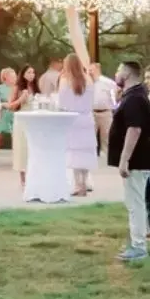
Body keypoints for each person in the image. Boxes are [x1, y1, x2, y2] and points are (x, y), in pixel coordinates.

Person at [108, 61, 150, 262]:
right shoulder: (133, 95)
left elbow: (134, 130)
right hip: (138, 159)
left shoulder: (135, 99)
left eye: (118, 69)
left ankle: (139, 246)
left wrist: (125, 160)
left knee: (135, 203)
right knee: (136, 201)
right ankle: (137, 240)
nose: (116, 73)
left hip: (137, 160)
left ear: (127, 73)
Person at [58, 53, 96, 198]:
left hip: (72, 119)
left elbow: (62, 102)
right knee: (85, 152)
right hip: (86, 118)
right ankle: (84, 182)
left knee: (74, 152)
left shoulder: (65, 80)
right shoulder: (89, 79)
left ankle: (78, 184)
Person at [9, 66, 39, 185]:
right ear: (23, 74)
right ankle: (23, 178)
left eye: (33, 72)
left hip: (35, 120)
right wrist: (21, 99)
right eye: (29, 72)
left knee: (34, 148)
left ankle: (35, 174)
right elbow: (11, 106)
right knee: (22, 147)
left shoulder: (35, 88)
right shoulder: (17, 88)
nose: (32, 74)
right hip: (22, 120)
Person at [89, 63, 117, 159]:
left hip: (106, 112)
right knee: (90, 137)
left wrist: (114, 107)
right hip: (92, 113)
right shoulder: (88, 82)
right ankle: (91, 158)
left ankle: (108, 159)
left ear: (98, 69)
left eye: (91, 69)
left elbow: (116, 95)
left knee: (107, 137)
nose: (90, 72)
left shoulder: (108, 83)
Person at [0, 68, 17, 153]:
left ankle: (17, 159)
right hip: (3, 115)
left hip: (15, 114)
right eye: (12, 76)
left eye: (15, 76)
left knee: (15, 137)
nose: (15, 78)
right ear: (5, 77)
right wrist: (3, 104)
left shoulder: (18, 88)